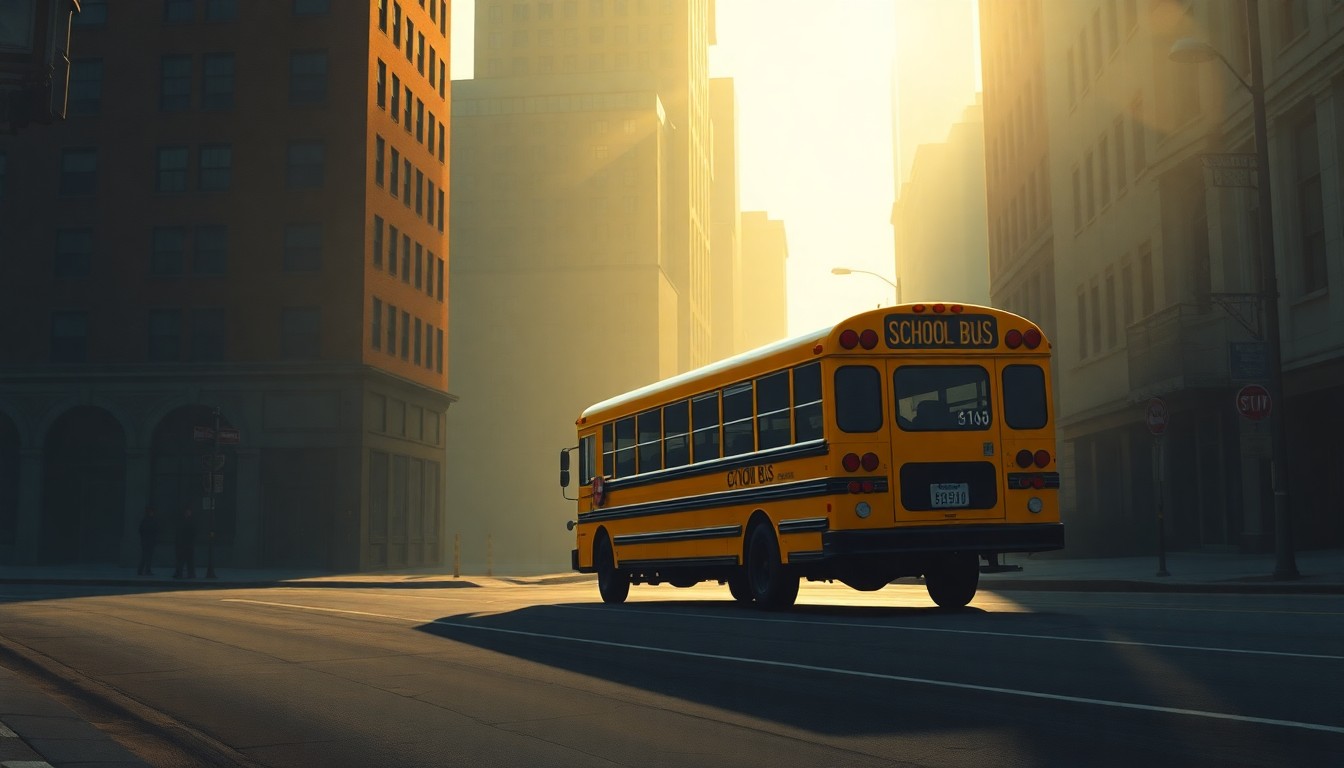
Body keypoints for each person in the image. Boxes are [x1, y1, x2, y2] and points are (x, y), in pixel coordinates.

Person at [174, 506, 197, 579]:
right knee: (183, 560)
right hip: (184, 544)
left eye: (189, 512)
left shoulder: (190, 521)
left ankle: (188, 574)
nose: (188, 513)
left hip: (187, 544)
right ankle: (181, 573)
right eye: (187, 512)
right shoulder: (185, 521)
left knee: (187, 560)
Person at [137, 506, 159, 575]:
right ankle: (144, 570)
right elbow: (142, 530)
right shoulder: (147, 520)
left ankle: (144, 570)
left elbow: (141, 530)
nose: (152, 513)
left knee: (147, 556)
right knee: (146, 556)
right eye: (151, 512)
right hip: (147, 541)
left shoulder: (149, 520)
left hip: (148, 541)